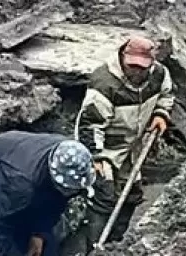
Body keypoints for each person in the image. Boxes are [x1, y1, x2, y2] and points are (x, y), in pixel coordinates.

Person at [62, 36, 174, 254]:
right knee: (103, 196)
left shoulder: (159, 75)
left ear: (151, 63)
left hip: (133, 147)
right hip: (107, 148)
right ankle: (94, 247)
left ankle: (116, 243)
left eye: (142, 67)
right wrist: (96, 157)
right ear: (123, 56)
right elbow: (90, 125)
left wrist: (161, 113)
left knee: (130, 195)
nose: (136, 71)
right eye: (131, 65)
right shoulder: (105, 83)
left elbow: (167, 95)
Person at [0, 132, 95, 256]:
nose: (72, 193)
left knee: (43, 242)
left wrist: (39, 233)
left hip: (16, 164)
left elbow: (56, 201)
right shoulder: (21, 183)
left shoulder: (71, 153)